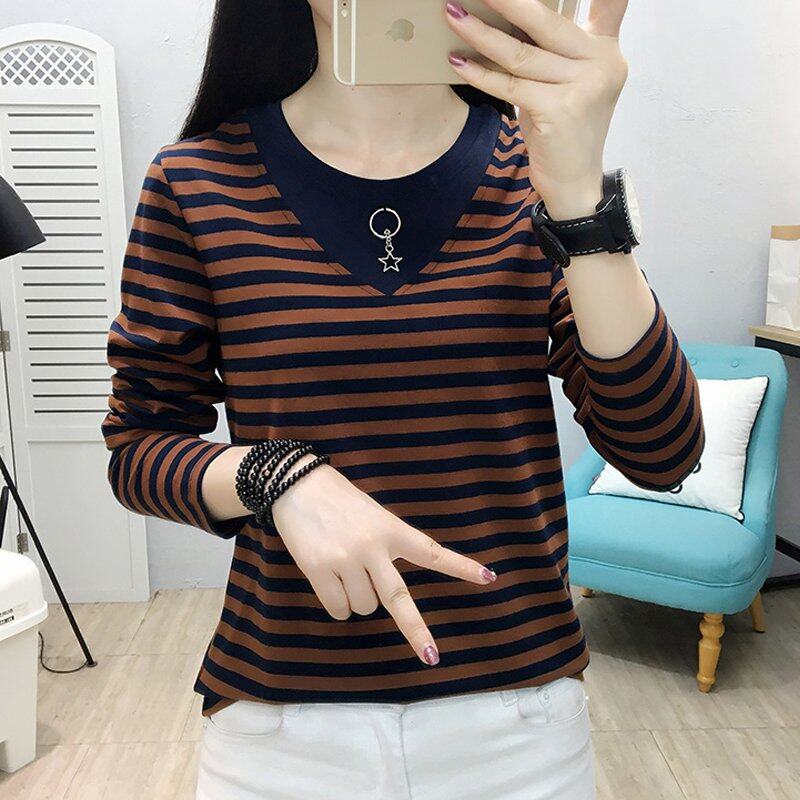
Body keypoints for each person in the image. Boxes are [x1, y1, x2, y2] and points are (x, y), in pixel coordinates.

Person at [102, 1, 705, 797]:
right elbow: (139, 447)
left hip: (519, 724)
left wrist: (578, 193)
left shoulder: (534, 173)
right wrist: (277, 476)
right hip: (283, 731)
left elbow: (662, 453)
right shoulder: (196, 181)